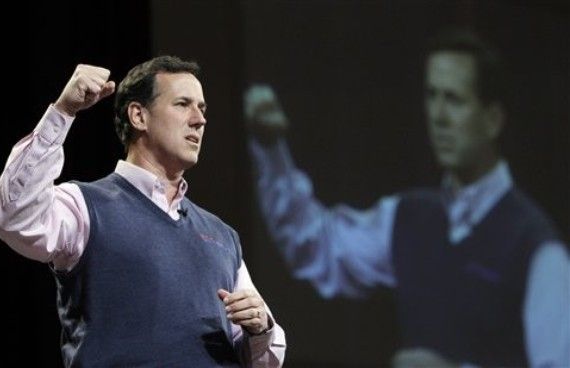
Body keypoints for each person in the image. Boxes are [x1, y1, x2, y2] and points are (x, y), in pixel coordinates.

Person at [244, 30, 569, 367]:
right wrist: (271, 148)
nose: (438, 117)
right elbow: (316, 244)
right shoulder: (408, 218)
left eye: (454, 100)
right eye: (432, 96)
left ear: (492, 119)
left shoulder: (538, 251)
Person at [0, 55, 286, 367]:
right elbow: (13, 216)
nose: (200, 119)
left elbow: (265, 358)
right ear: (138, 116)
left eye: (202, 108)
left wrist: (260, 329)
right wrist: (63, 112)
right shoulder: (86, 207)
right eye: (183, 104)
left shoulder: (223, 237)